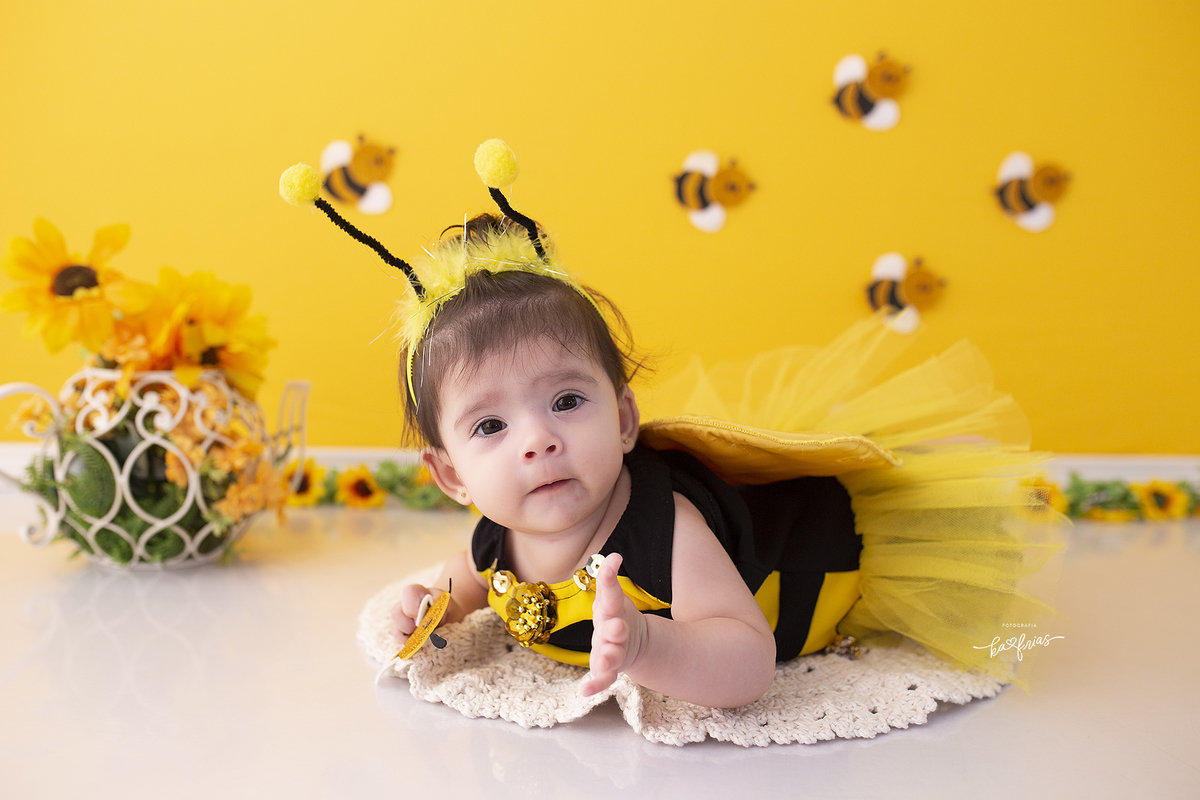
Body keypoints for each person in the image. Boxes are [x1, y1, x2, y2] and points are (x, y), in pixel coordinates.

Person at [278, 142, 1065, 710]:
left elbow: (748, 661)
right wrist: (430, 602)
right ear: (450, 474)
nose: (537, 440)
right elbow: (468, 579)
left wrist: (650, 645)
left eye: (566, 402)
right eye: (489, 426)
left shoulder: (664, 527)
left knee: (917, 509)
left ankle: (948, 479)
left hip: (819, 555)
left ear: (625, 418)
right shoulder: (495, 539)